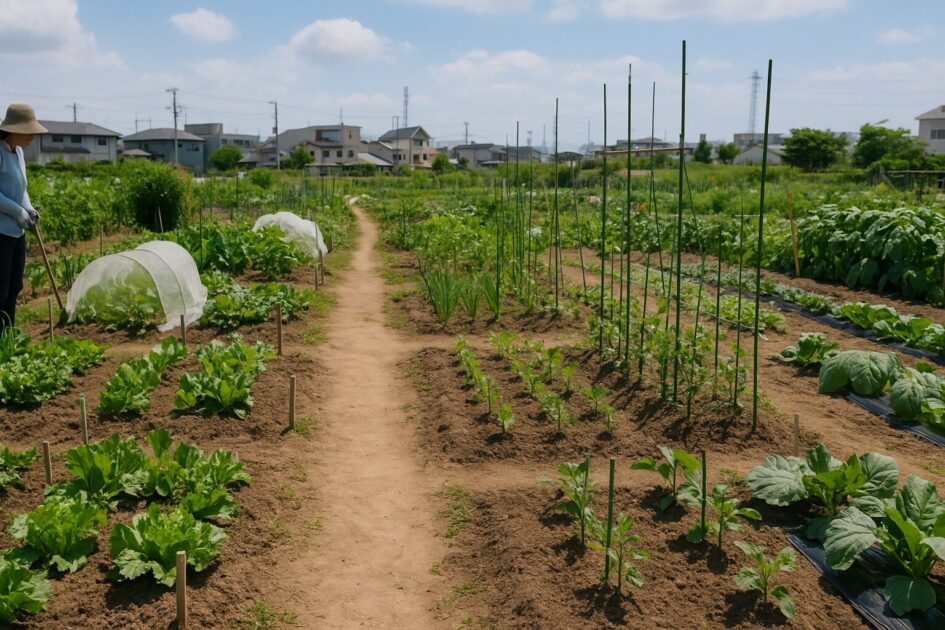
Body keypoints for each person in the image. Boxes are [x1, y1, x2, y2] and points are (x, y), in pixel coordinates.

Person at [0, 103, 46, 332]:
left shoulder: (17, 152)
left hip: (16, 230)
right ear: (13, 129)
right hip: (1, 232)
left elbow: (22, 188)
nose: (32, 137)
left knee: (15, 284)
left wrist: (28, 209)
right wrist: (17, 212)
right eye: (28, 132)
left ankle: (8, 334)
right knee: (0, 289)